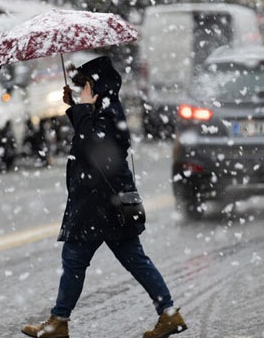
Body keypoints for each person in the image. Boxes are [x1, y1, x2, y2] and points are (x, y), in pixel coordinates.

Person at [22, 56, 187, 338]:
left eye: (84, 85)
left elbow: (92, 146)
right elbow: (92, 137)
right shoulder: (106, 108)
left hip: (99, 204)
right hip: (105, 202)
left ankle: (59, 322)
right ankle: (169, 314)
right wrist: (76, 107)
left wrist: (83, 108)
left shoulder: (109, 112)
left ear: (96, 85)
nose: (81, 90)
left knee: (74, 259)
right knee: (132, 259)